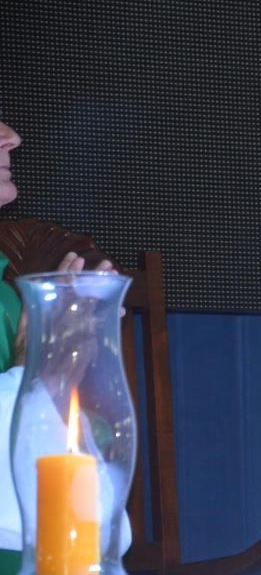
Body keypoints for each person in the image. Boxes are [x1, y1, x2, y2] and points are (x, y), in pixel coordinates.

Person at [0, 117, 130, 574]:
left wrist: (71, 366)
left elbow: (98, 511)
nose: (11, 136)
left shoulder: (9, 293)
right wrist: (44, 372)